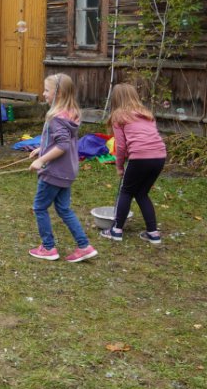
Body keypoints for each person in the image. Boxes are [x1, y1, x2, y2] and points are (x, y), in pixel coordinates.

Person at [28, 73, 98, 262]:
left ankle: (48, 248)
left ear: (58, 95)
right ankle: (84, 246)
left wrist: (42, 161)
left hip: (54, 172)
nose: (43, 94)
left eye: (46, 90)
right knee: (64, 209)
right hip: (67, 171)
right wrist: (40, 149)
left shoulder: (57, 119)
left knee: (40, 207)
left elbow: (63, 146)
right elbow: (59, 142)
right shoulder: (70, 114)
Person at [99, 83, 167, 244]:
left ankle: (116, 230)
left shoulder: (119, 116)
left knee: (126, 191)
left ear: (115, 99)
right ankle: (153, 233)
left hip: (140, 157)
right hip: (159, 157)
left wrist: (119, 167)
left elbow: (121, 146)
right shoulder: (147, 114)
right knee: (142, 193)